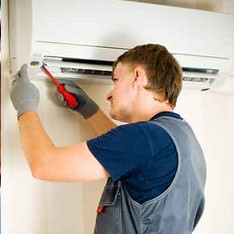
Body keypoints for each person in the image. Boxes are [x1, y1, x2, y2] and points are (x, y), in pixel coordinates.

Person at [10, 44, 206, 234]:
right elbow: (131, 157)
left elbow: (44, 164)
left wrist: (25, 107)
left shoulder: (145, 138)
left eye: (116, 80)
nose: (109, 94)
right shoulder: (183, 138)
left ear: (138, 76)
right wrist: (88, 110)